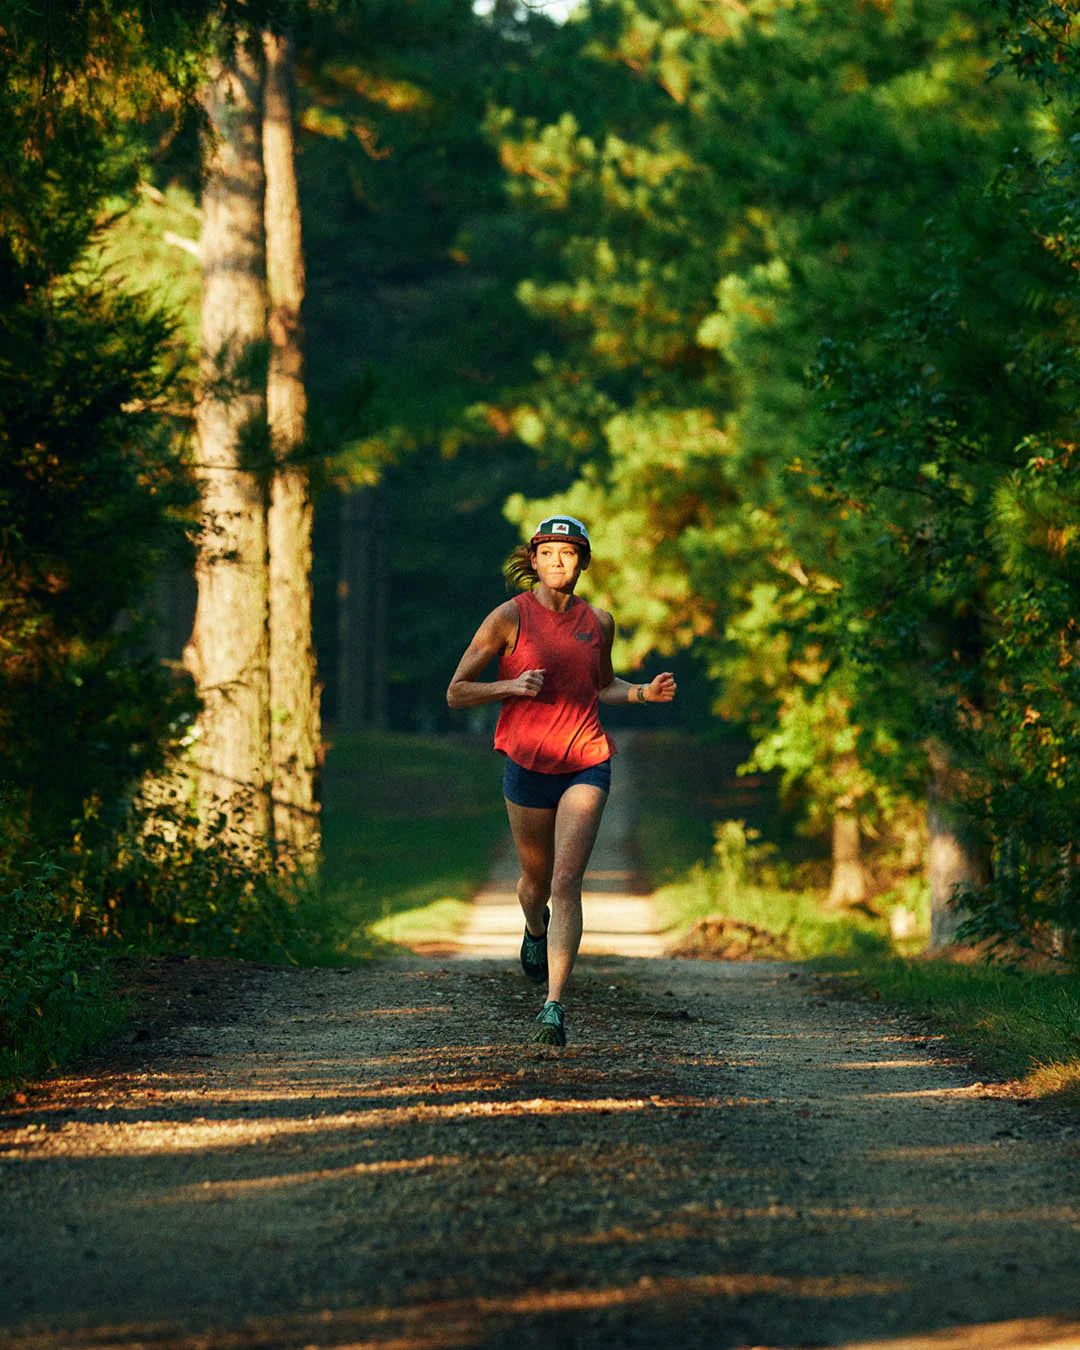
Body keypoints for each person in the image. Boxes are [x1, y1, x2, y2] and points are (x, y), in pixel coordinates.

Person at [446, 514, 676, 1046]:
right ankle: (533, 928)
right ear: (533, 560)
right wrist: (510, 685)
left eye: (568, 554)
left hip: (586, 759)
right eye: (548, 553)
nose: (558, 562)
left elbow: (602, 685)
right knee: (535, 884)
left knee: (567, 881)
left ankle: (553, 1005)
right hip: (527, 762)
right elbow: (457, 692)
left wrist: (642, 693)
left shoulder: (599, 621)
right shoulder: (508, 618)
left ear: (583, 563)